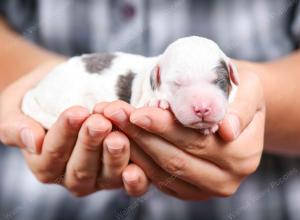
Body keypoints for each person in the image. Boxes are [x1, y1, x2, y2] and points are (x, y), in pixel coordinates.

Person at [0, 0, 299, 220]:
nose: (202, 104)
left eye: (215, 83)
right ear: (157, 79)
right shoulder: (144, 84)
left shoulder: (171, 85)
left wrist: (257, 106)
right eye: (178, 86)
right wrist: (26, 87)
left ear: (231, 75)